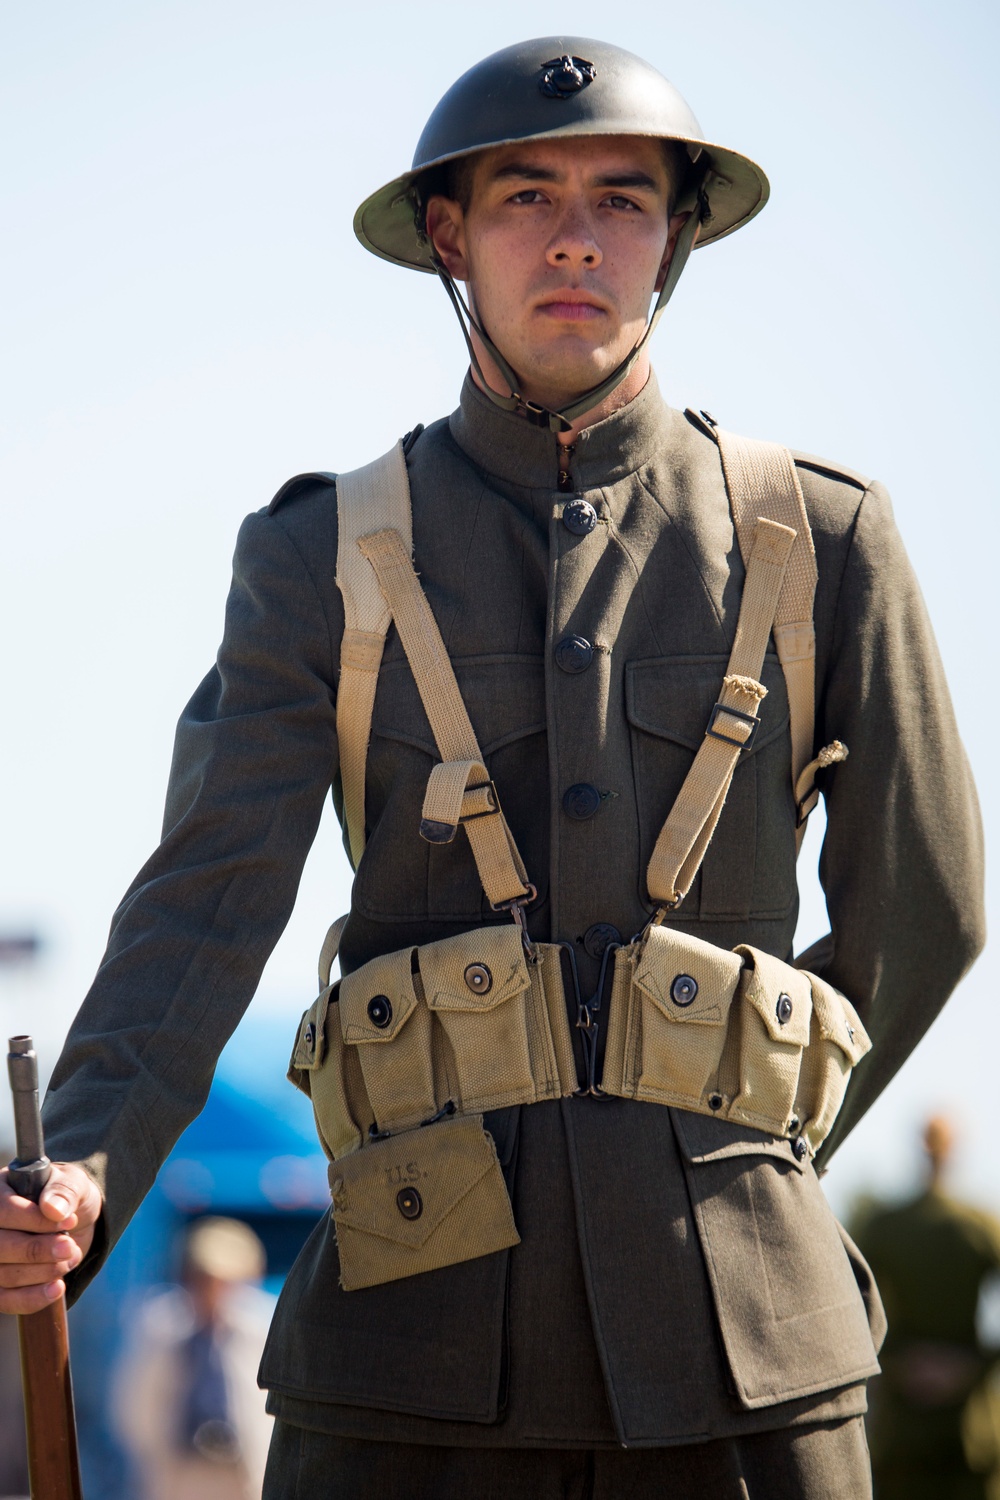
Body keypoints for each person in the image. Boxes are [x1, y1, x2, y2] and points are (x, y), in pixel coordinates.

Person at [0, 35, 985, 1500]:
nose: (577, 237)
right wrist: (78, 1166)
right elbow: (206, 904)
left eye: (623, 198)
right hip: (409, 1363)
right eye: (525, 197)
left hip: (747, 1368)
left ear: (678, 236)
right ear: (449, 237)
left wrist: (747, 1143)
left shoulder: (827, 542)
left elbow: (931, 908)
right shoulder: (315, 555)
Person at [855, 1117, 1000, 1500]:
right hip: (971, 1435)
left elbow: (846, 1309)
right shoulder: (982, 1228)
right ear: (953, 1150)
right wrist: (974, 1364)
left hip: (907, 1434)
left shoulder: (884, 1228)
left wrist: (899, 1360)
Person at [113, 1217, 275, 1500]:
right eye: (205, 1279)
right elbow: (133, 1406)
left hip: (242, 1472)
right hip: (181, 1471)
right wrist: (157, 1454)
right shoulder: (161, 1325)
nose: (213, 1291)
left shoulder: (261, 1326)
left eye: (225, 1282)